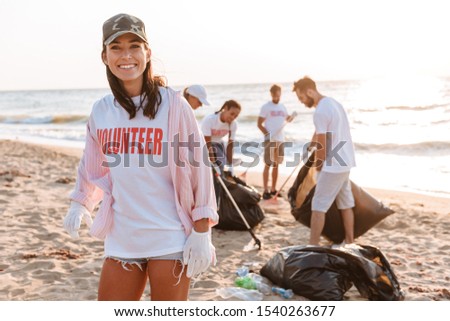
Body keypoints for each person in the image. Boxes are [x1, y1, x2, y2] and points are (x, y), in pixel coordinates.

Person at [63, 13, 218, 301]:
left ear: (147, 52)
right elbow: (92, 165)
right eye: (116, 47)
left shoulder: (174, 105)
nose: (126, 55)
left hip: (170, 234)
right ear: (104, 56)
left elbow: (199, 169)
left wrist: (202, 230)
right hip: (122, 235)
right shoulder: (101, 110)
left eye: (134, 46)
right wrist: (80, 203)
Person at [292, 76, 356, 246]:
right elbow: (322, 132)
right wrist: (311, 144)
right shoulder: (334, 103)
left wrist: (318, 166)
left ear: (310, 91)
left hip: (333, 165)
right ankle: (350, 242)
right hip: (346, 161)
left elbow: (322, 143)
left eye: (302, 97)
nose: (301, 101)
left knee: (318, 206)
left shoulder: (320, 111)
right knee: (345, 203)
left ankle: (313, 246)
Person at [257, 84, 293, 200]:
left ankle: (273, 189)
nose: (277, 96)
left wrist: (291, 118)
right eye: (275, 94)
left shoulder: (283, 107)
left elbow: (287, 119)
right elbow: (259, 124)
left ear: (280, 94)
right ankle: (266, 190)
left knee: (277, 165)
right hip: (270, 140)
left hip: (280, 139)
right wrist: (267, 135)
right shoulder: (266, 107)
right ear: (271, 94)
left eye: (279, 94)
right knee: (268, 164)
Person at [201, 100, 241, 175]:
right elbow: (207, 144)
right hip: (204, 143)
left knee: (221, 164)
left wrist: (231, 165)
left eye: (236, 116)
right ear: (225, 108)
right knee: (208, 167)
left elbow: (230, 145)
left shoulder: (233, 124)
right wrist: (213, 163)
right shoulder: (210, 120)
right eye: (232, 114)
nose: (233, 117)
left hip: (218, 143)